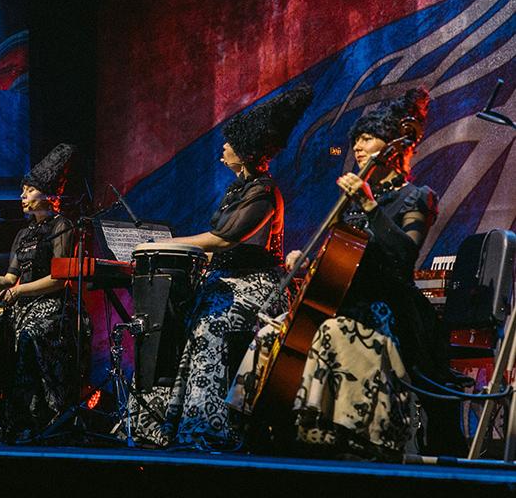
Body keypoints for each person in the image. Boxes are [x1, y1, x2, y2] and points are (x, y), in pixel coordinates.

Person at [277, 87, 460, 460]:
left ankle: (351, 436)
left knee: (332, 330)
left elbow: (403, 257)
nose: (357, 147)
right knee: (275, 331)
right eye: (356, 140)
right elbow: (342, 259)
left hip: (392, 307)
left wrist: (370, 205)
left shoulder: (417, 197)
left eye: (366, 138)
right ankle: (287, 432)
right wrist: (307, 262)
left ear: (394, 148)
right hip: (350, 301)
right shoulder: (356, 202)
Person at [135, 85, 313, 448]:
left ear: (245, 152)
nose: (223, 148)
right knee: (193, 323)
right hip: (227, 281)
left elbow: (225, 239)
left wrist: (165, 243)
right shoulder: (238, 190)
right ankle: (190, 422)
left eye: (229, 143)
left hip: (256, 287)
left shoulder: (263, 192)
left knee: (214, 326)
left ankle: (215, 427)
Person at [0, 144, 78, 440]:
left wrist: (18, 291)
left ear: (47, 194)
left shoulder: (61, 226)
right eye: (22, 192)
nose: (22, 197)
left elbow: (59, 279)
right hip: (24, 309)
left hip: (53, 309)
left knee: (31, 350)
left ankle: (47, 426)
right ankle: (18, 426)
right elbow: (8, 280)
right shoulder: (23, 234)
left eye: (28, 191)